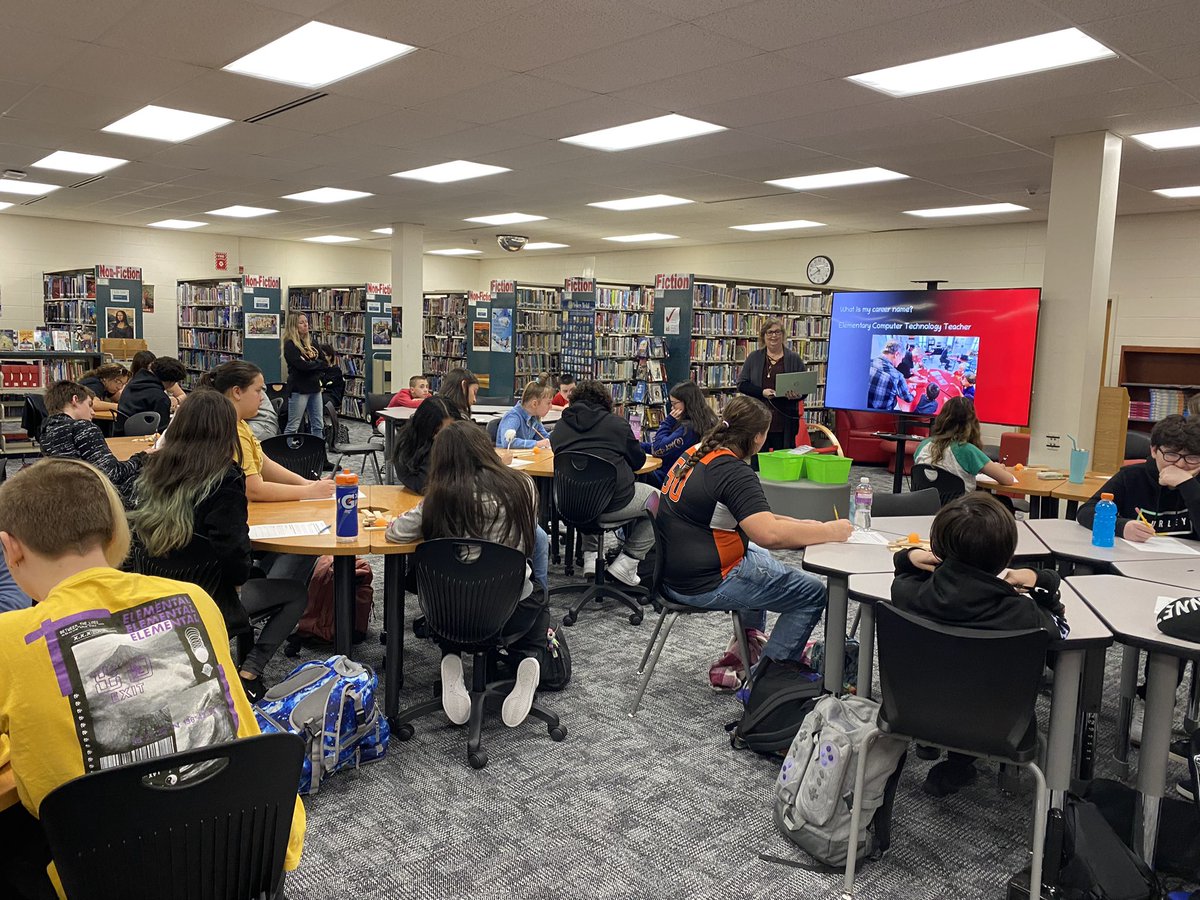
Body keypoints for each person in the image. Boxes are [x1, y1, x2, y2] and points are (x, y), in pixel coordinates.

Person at [0, 459, 305, 896]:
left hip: (112, 875)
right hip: (242, 851)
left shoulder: (9, 641)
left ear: (10, 548)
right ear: (111, 530)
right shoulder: (192, 599)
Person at [129, 390, 306, 702]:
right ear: (225, 430)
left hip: (155, 593)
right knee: (295, 592)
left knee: (260, 575)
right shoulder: (224, 476)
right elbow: (234, 552)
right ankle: (249, 673)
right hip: (207, 599)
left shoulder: (152, 468)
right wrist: (239, 583)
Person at [891, 492, 1067, 796]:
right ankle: (961, 763)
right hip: (998, 726)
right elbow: (1059, 629)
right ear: (1008, 555)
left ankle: (940, 750)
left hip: (914, 712)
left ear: (935, 549)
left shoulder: (908, 593)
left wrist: (906, 557)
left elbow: (903, 572)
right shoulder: (1022, 613)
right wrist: (1043, 580)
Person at [658, 395, 851, 668]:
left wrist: (807, 526)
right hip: (705, 581)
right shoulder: (733, 472)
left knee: (760, 557)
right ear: (758, 437)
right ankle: (769, 678)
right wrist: (831, 532)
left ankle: (748, 644)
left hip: (676, 570)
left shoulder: (698, 452)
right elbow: (768, 534)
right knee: (811, 592)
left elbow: (757, 518)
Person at [386, 421, 549, 728]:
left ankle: (451, 658)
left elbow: (396, 534)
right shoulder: (524, 485)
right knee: (536, 592)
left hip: (452, 614)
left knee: (447, 589)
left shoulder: (442, 497)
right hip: (511, 607)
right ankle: (528, 658)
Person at [549, 379, 655, 586]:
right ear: (606, 402)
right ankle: (628, 562)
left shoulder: (560, 428)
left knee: (587, 485)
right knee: (659, 502)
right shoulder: (617, 425)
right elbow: (638, 461)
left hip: (569, 504)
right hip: (612, 504)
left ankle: (590, 557)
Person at [200, 361, 334, 503]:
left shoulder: (241, 424)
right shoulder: (232, 432)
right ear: (237, 392)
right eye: (258, 391)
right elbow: (253, 490)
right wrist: (308, 491)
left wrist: (306, 483)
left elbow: (264, 463)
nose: (262, 397)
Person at [1078, 413, 1200, 541]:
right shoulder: (1131, 476)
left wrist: (1188, 485)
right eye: (1171, 455)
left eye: (1192, 457)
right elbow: (1086, 511)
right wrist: (1121, 527)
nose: (1180, 464)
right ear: (1154, 450)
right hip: (1131, 557)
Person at [39, 379, 149, 504]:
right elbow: (113, 474)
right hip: (95, 499)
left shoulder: (46, 429)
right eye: (89, 404)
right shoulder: (82, 427)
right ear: (74, 400)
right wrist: (142, 457)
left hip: (67, 496)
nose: (93, 412)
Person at [914, 396, 1016, 496]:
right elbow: (1008, 480)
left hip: (925, 507)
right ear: (972, 423)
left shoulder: (923, 445)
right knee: (1003, 502)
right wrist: (999, 468)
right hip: (959, 510)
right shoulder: (967, 450)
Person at [737, 318, 806, 451]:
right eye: (769, 332)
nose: (773, 336)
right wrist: (762, 392)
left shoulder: (793, 358)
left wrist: (796, 396)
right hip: (758, 419)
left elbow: (803, 388)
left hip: (785, 420)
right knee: (759, 462)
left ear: (783, 335)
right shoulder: (754, 358)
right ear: (763, 336)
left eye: (777, 332)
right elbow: (742, 384)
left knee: (784, 460)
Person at [642, 381, 718, 486]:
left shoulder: (688, 429)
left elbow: (658, 449)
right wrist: (636, 445)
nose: (672, 408)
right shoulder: (704, 420)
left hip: (670, 479)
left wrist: (667, 422)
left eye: (674, 404)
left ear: (687, 402)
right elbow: (666, 446)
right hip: (686, 477)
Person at [392, 398, 455, 495]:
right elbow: (422, 486)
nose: (441, 436)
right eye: (436, 430)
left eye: (449, 429)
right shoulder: (406, 443)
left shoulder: (461, 438)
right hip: (421, 496)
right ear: (426, 427)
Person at [115, 356, 184, 435]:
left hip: (119, 434)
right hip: (142, 439)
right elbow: (161, 432)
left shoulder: (133, 383)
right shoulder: (161, 398)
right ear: (171, 382)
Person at [282, 312, 324, 441]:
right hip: (299, 389)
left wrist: (312, 364)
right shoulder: (290, 345)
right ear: (294, 326)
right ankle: (286, 454)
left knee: (318, 424)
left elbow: (325, 362)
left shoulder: (312, 342)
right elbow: (301, 366)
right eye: (301, 322)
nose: (305, 325)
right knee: (293, 425)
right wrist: (316, 364)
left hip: (315, 388)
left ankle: (318, 454)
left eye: (306, 322)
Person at [496, 380, 553, 450]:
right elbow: (507, 442)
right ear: (534, 404)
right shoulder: (513, 416)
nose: (551, 406)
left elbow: (545, 438)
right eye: (548, 403)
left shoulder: (534, 417)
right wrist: (536, 444)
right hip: (508, 458)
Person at [867, 340, 913, 411]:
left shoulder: (869, 362)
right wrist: (913, 393)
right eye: (901, 358)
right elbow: (908, 398)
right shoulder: (897, 376)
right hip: (883, 416)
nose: (901, 361)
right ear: (896, 354)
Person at [318, 343, 345, 411]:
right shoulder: (318, 369)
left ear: (330, 356)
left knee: (319, 400)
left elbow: (329, 383)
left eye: (324, 356)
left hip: (332, 395)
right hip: (319, 393)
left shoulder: (335, 370)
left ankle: (318, 420)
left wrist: (323, 389)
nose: (321, 358)